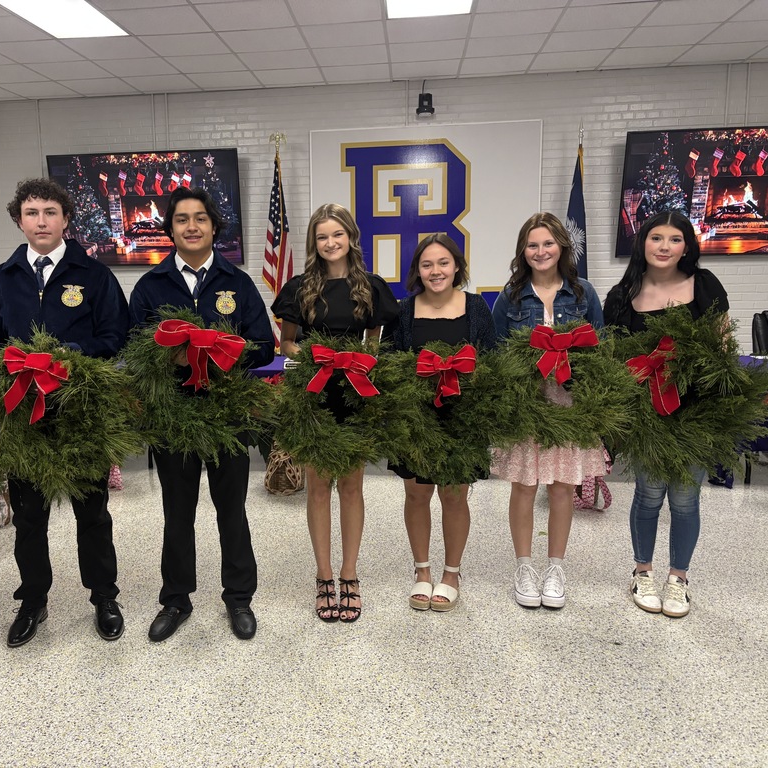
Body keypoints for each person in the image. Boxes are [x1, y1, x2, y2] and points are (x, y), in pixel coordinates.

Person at [0, 178, 129, 647]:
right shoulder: (0, 280)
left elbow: (116, 337)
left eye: (49, 212)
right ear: (19, 220)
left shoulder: (95, 276)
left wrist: (67, 357)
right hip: (23, 417)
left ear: (66, 219)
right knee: (29, 517)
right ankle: (33, 599)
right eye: (31, 213)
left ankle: (103, 595)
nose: (40, 221)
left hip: (80, 415)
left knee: (93, 514)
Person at [129, 187, 274, 642]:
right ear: (170, 228)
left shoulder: (238, 282)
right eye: (181, 220)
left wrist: (218, 356)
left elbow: (264, 347)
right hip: (173, 420)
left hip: (228, 418)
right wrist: (169, 359)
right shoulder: (151, 286)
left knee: (231, 511)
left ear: (214, 227)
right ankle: (175, 599)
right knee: (177, 512)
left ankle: (239, 598)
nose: (191, 227)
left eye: (200, 219)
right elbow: (133, 351)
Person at [271, 203, 399, 623]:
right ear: (314, 242)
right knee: (318, 486)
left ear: (350, 237)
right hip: (314, 390)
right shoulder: (299, 288)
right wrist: (316, 355)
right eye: (322, 236)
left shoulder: (372, 287)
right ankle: (324, 576)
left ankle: (350, 575)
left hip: (355, 391)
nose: (330, 243)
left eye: (337, 235)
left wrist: (357, 359)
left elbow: (376, 342)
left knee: (352, 487)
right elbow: (286, 343)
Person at [603, 210, 728, 618]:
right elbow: (613, 359)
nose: (664, 246)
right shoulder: (622, 296)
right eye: (656, 237)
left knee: (687, 500)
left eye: (675, 239)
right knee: (648, 495)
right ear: (643, 243)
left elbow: (722, 348)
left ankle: (679, 579)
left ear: (687, 246)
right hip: (646, 417)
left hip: (694, 413)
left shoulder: (705, 286)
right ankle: (642, 571)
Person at [491, 212, 605, 610]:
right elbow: (496, 352)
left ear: (562, 247)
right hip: (527, 403)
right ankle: (524, 566)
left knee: (561, 487)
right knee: (524, 485)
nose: (540, 251)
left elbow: (599, 348)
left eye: (548, 244)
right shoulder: (510, 296)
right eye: (532, 245)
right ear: (523, 251)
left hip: (569, 404)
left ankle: (555, 568)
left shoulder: (584, 293)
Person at [390, 234, 496, 612]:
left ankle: (451, 573)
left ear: (456, 267)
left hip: (462, 418)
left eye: (443, 263)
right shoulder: (406, 310)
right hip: (417, 419)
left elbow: (492, 361)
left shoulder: (476, 307)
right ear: (418, 271)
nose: (435, 271)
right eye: (427, 265)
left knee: (454, 495)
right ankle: (422, 570)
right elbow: (393, 364)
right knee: (416, 494)